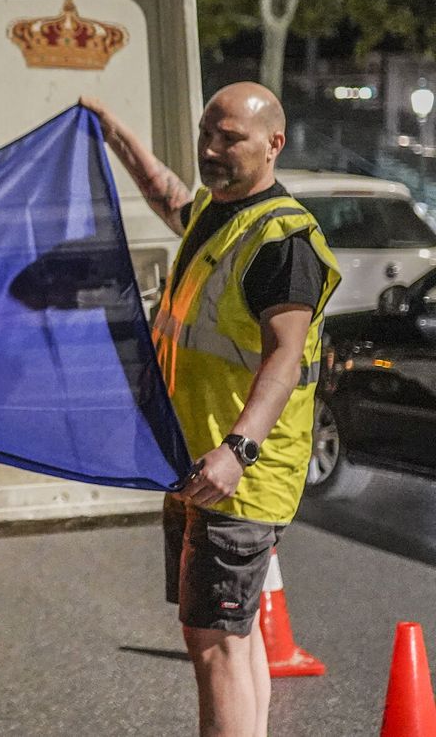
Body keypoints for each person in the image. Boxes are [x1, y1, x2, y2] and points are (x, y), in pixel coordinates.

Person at [82, 85, 339, 737]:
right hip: (197, 465)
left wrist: (237, 450)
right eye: (207, 133)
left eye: (230, 137)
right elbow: (167, 190)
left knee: (214, 644)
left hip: (240, 476)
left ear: (273, 143)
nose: (211, 148)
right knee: (233, 635)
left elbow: (283, 358)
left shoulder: (285, 238)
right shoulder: (215, 214)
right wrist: (115, 133)